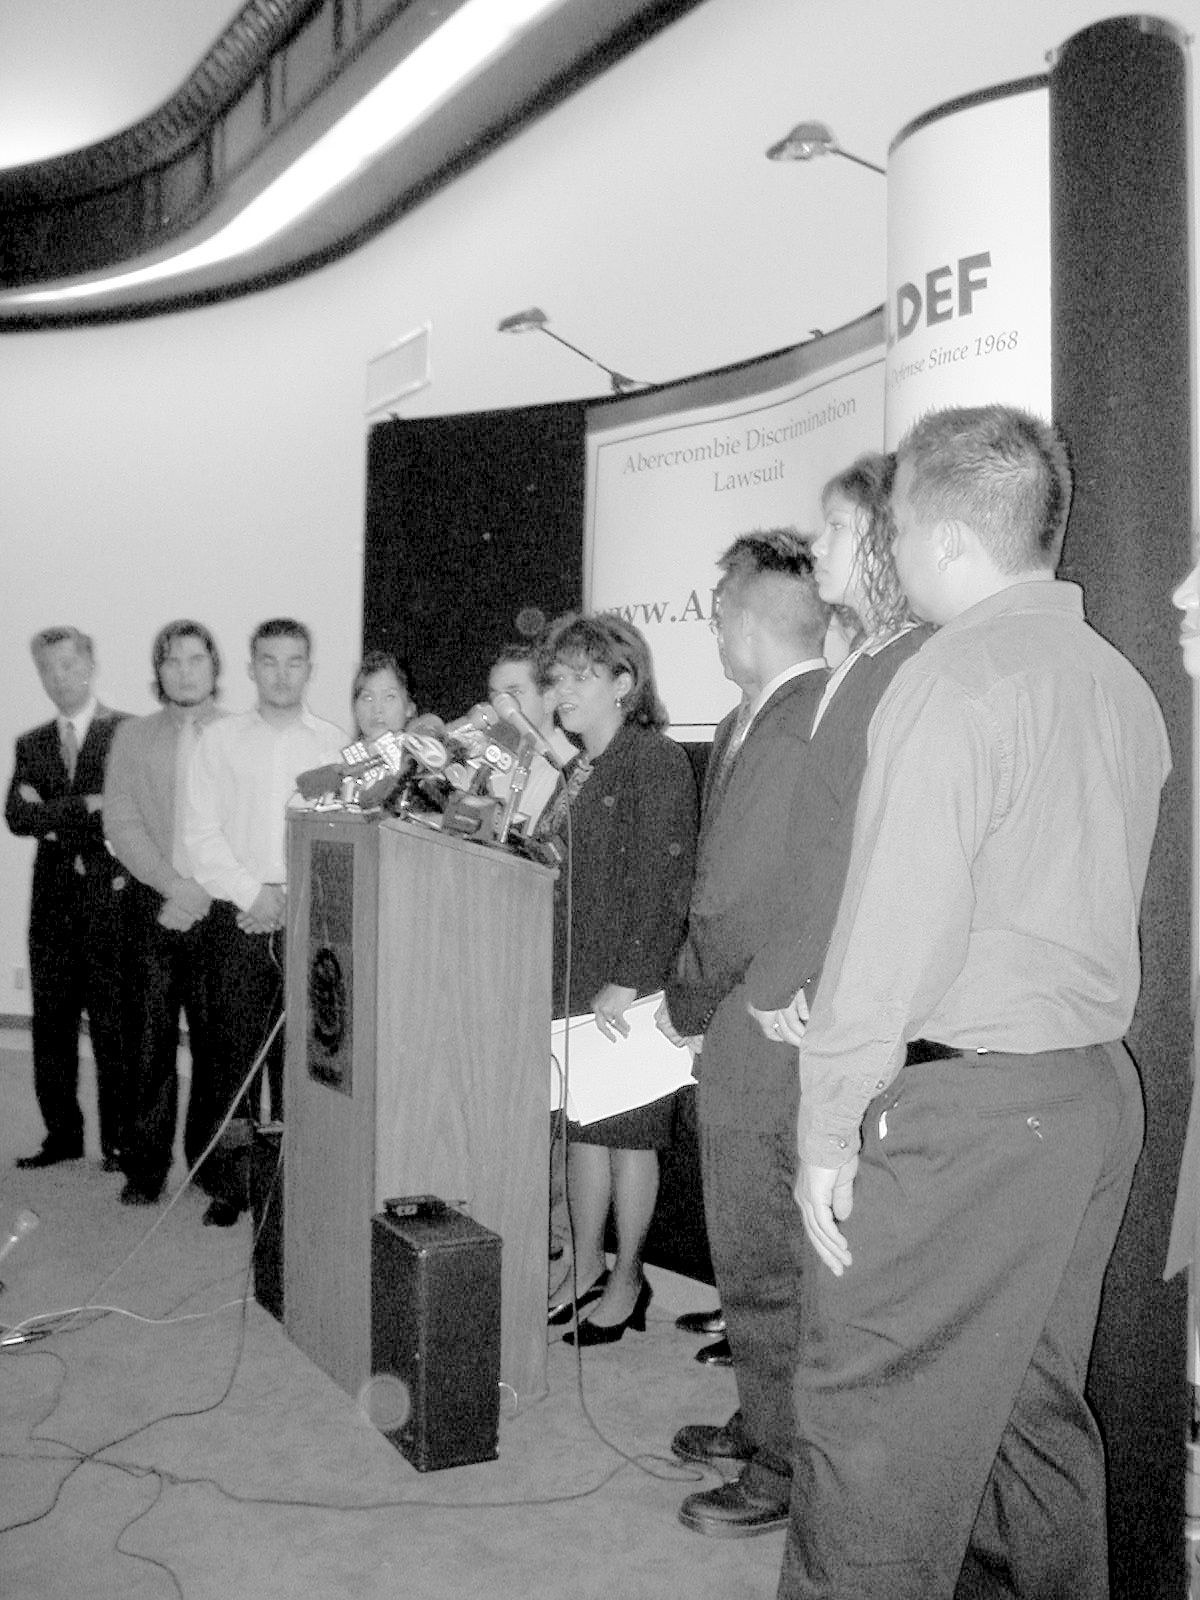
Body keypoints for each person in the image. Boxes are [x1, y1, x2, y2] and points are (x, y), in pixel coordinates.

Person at [780, 405, 1169, 1600]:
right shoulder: (1120, 685)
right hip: (1089, 1098)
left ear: (944, 541)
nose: (889, 553)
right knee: (1028, 1418)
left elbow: (892, 934)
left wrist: (824, 1126)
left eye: (892, 527)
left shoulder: (951, 681)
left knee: (869, 1432)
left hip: (970, 1122)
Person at [658, 529, 831, 1535]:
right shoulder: (756, 717)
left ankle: (779, 1467)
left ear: (754, 625)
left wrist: (679, 1007)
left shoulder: (797, 723)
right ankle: (763, 1415)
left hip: (760, 1040)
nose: (714, 625)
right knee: (757, 1260)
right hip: (754, 1022)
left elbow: (727, 904)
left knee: (762, 1267)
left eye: (721, 611)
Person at [539, 612, 697, 1343]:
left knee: (628, 1138)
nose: (559, 690)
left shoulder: (653, 760)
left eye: (578, 677)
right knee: (581, 1135)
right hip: (573, 984)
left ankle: (629, 1279)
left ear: (624, 684)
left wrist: (631, 978)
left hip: (625, 992)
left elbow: (666, 881)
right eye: (556, 677)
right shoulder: (579, 769)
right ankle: (587, 1266)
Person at [183, 618, 345, 1225]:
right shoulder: (219, 741)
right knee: (233, 1058)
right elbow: (201, 833)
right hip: (240, 919)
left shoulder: (332, 745)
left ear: (310, 668)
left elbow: (341, 837)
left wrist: (290, 898)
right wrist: (254, 895)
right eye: (269, 662)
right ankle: (233, 1182)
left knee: (304, 1057)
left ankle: (297, 1178)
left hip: (311, 921)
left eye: (295, 661)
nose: (282, 673)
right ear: (251, 668)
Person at [103, 621, 226, 1205]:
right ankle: (146, 1168)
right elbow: (120, 821)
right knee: (147, 1043)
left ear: (214, 668)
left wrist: (201, 887)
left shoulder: (237, 734)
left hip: (220, 907)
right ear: (159, 671)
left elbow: (246, 822)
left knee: (216, 1047)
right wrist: (174, 885)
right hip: (153, 905)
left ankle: (214, 1168)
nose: (184, 670)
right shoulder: (132, 735)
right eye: (172, 661)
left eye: (195, 660)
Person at [5, 628, 130, 1170]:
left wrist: (52, 813)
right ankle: (62, 1137)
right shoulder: (29, 743)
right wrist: (85, 806)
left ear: (90, 663)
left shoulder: (125, 732)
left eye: (67, 664)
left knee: (112, 1028)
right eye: (48, 669)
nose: (59, 677)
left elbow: (123, 812)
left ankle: (119, 1142)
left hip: (110, 902)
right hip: (51, 907)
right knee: (51, 1028)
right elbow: (16, 817)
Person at [487, 642, 576, 832]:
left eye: (514, 693)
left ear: (549, 700)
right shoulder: (487, 762)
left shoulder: (570, 769)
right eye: (495, 696)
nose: (502, 705)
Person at [351, 650, 415, 743]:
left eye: (389, 697)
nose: (377, 709)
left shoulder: (426, 755)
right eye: (368, 698)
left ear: (409, 707)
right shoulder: (334, 756)